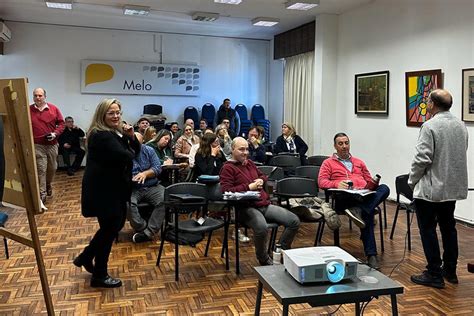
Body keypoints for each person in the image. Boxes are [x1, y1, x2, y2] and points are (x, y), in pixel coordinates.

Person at [74, 98, 139, 288]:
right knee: (110, 228)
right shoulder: (102, 135)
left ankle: (87, 258)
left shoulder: (113, 133)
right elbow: (127, 156)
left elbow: (135, 150)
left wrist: (131, 137)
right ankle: (99, 274)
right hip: (104, 191)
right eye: (111, 113)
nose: (116, 116)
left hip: (112, 190)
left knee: (110, 228)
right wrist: (128, 143)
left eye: (118, 112)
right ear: (102, 114)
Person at [408, 89, 468, 289]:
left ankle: (434, 272)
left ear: (432, 104)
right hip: (451, 188)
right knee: (449, 228)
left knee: (427, 229)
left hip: (431, 189)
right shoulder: (461, 125)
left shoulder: (429, 125)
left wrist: (412, 181)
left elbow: (422, 158)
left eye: (427, 101)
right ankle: (450, 271)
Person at [220, 137, 300, 266]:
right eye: (241, 149)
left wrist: (262, 180)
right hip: (245, 208)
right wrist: (248, 187)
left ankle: (279, 251)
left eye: (247, 149)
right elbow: (226, 191)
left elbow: (261, 175)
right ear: (232, 150)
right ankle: (264, 259)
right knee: (262, 228)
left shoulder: (250, 163)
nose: (245, 152)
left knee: (293, 221)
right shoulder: (227, 168)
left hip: (262, 204)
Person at [318, 132, 390, 269]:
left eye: (346, 143)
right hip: (344, 198)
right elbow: (321, 182)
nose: (344, 146)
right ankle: (371, 255)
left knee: (385, 188)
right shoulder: (328, 163)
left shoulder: (359, 162)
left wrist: (371, 185)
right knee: (367, 215)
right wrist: (336, 184)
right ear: (335, 146)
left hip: (363, 196)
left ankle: (360, 211)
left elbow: (368, 180)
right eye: (340, 144)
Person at [128, 133, 166, 243]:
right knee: (128, 203)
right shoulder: (123, 152)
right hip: (133, 188)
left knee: (164, 199)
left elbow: (157, 168)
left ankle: (148, 233)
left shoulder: (148, 150)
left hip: (152, 185)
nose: (134, 146)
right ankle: (143, 228)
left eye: (137, 144)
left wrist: (145, 174)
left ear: (143, 142)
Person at [30, 88, 65, 203]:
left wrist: (55, 133)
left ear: (45, 96)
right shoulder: (28, 110)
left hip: (52, 145)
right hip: (37, 145)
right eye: (35, 95)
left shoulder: (53, 109)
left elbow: (61, 123)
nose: (38, 98)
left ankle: (48, 184)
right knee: (41, 169)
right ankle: (42, 193)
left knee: (52, 168)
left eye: (40, 95)